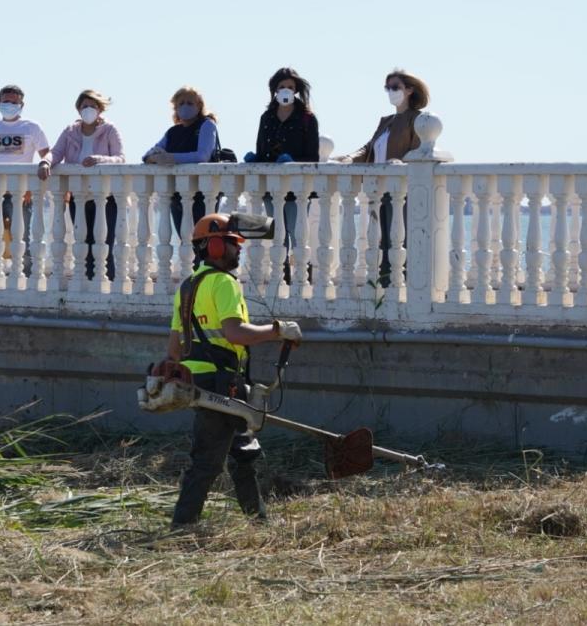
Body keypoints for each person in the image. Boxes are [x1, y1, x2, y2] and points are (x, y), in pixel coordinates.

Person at [166, 213, 302, 528]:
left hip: (201, 381)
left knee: (243, 452)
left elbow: (173, 350)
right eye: (231, 244)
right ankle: (182, 526)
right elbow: (236, 333)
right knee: (207, 462)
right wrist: (279, 330)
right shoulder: (224, 283)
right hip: (222, 381)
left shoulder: (186, 287)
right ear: (213, 246)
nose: (238, 250)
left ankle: (258, 521)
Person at [334, 70, 431, 284]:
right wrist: (349, 158)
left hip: (403, 192)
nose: (390, 92)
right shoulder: (386, 121)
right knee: (383, 240)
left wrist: (400, 164)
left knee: (400, 240)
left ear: (409, 90)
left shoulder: (418, 119)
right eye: (387, 88)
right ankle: (385, 285)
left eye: (395, 87)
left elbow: (418, 151)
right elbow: (369, 147)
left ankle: (401, 284)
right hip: (380, 190)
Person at [251, 68, 320, 282]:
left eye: (290, 87)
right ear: (274, 91)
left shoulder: (307, 119)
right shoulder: (267, 117)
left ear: (297, 90)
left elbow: (313, 157)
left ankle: (302, 280)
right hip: (271, 188)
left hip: (297, 188)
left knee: (296, 233)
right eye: (281, 87)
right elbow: (261, 149)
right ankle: (281, 279)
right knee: (277, 235)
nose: (286, 91)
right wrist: (255, 159)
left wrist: (292, 161)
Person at [0, 84, 51, 274]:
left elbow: (47, 156)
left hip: (22, 195)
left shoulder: (32, 128)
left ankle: (26, 275)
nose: (9, 105)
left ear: (21, 104)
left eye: (14, 102)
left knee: (21, 238)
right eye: (6, 101)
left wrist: (32, 188)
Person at [49, 90, 125, 280]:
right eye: (84, 106)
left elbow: (120, 158)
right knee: (83, 242)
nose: (88, 110)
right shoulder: (70, 131)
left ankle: (107, 284)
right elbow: (56, 152)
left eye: (92, 106)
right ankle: (85, 282)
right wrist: (45, 162)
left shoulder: (110, 130)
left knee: (104, 244)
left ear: (100, 109)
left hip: (106, 198)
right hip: (78, 197)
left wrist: (99, 160)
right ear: (78, 109)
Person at [143, 86, 221, 234]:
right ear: (175, 107)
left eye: (190, 103)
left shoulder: (207, 125)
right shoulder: (173, 132)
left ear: (199, 106)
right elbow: (148, 153)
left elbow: (202, 156)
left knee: (204, 237)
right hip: (177, 192)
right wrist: (153, 158)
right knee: (184, 237)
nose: (185, 106)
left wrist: (170, 158)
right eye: (181, 103)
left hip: (203, 193)